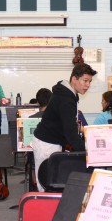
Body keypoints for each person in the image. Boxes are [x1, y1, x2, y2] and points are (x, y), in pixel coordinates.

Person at [31, 63, 97, 191]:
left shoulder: (68, 94)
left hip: (52, 141)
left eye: (90, 81)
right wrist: (88, 152)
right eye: (85, 80)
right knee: (46, 184)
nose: (88, 85)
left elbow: (68, 125)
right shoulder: (66, 99)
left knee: (53, 181)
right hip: (46, 143)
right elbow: (70, 133)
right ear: (74, 79)